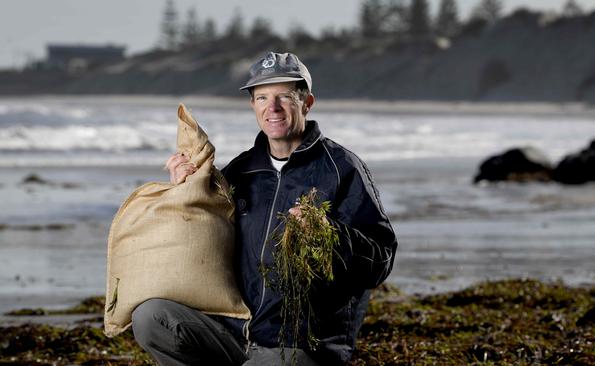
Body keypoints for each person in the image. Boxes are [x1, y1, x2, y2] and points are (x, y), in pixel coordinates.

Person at [131, 52, 398, 365]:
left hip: (298, 346)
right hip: (234, 333)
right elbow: (199, 247)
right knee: (152, 318)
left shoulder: (341, 169)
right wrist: (183, 193)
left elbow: (381, 259)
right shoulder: (241, 170)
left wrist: (330, 234)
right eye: (262, 98)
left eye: (284, 96)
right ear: (253, 105)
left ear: (307, 103)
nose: (273, 108)